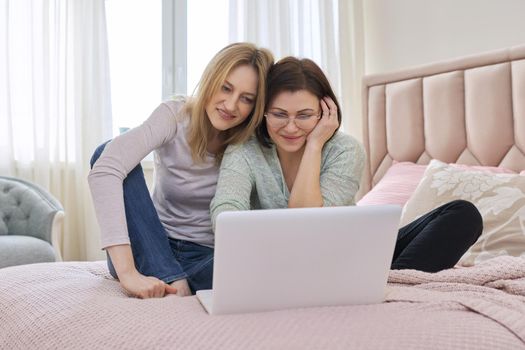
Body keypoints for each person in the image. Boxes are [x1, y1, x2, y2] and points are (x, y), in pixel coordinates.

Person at [210, 56, 483, 273]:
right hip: (274, 263)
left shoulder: (345, 150)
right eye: (279, 115)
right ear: (263, 113)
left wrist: (315, 145)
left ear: (325, 111)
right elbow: (225, 214)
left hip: (346, 254)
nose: (290, 127)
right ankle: (384, 281)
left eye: (304, 115)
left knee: (463, 215)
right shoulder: (244, 151)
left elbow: (310, 223)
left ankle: (392, 281)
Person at [88, 43, 274, 299]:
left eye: (246, 99)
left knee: (257, 284)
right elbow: (104, 169)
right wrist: (129, 273)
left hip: (204, 255)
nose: (231, 105)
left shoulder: (250, 145)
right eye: (226, 88)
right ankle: (172, 278)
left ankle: (175, 283)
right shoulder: (175, 115)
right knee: (106, 151)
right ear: (210, 79)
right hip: (152, 246)